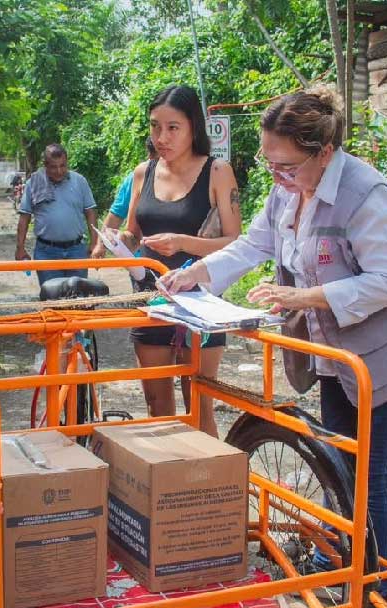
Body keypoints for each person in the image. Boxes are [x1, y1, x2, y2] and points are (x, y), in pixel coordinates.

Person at [161, 86, 387, 608]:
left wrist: (306, 296)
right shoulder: (289, 190)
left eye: (287, 166)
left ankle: (375, 588)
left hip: (386, 354)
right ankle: (336, 557)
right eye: (269, 164)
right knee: (341, 459)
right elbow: (254, 244)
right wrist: (195, 274)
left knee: (377, 472)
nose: (278, 177)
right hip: (335, 353)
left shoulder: (368, 194)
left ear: (323, 152)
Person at [122, 86, 241, 438]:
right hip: (150, 298)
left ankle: (209, 487)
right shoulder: (143, 172)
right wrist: (117, 243)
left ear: (194, 128)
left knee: (199, 407)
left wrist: (183, 243)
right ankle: (165, 488)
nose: (161, 137)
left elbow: (236, 243)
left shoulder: (217, 172)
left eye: (172, 127)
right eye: (155, 126)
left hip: (200, 302)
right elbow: (134, 231)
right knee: (157, 408)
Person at [15, 145, 99, 287]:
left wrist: (94, 243)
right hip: (46, 252)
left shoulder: (79, 181)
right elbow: (25, 217)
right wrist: (20, 247)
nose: (59, 171)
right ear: (45, 166)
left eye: (63, 166)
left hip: (77, 251)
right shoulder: (34, 183)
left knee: (78, 299)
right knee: (52, 298)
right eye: (54, 167)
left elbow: (90, 211)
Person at [90, 137, 159, 259]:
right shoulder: (136, 178)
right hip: (142, 262)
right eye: (154, 159)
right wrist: (101, 244)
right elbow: (116, 215)